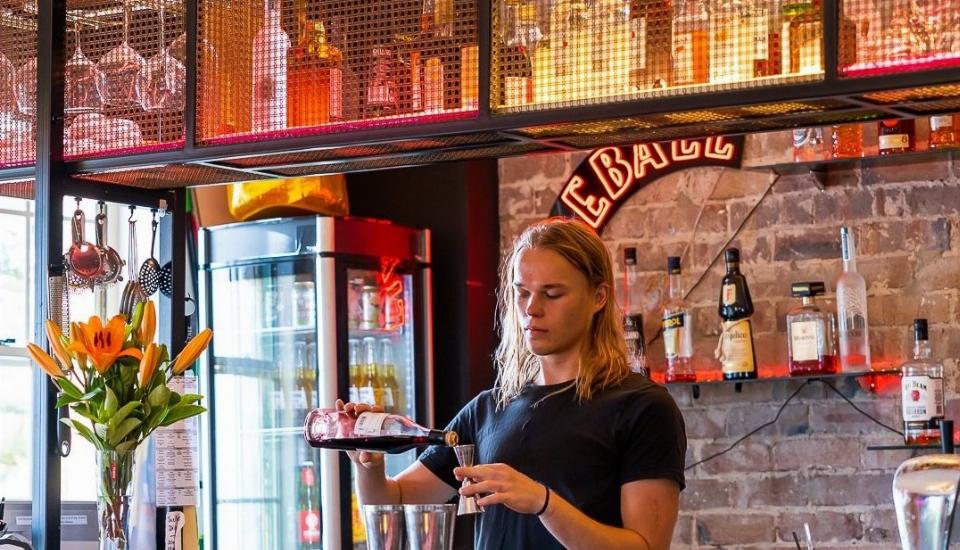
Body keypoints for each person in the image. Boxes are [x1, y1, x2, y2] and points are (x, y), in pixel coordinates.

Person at [340, 217, 687, 550]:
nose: (531, 309)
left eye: (552, 294)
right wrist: (370, 467)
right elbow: (397, 502)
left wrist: (543, 502)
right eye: (522, 293)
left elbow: (646, 546)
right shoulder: (489, 409)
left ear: (598, 297)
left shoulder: (642, 407)